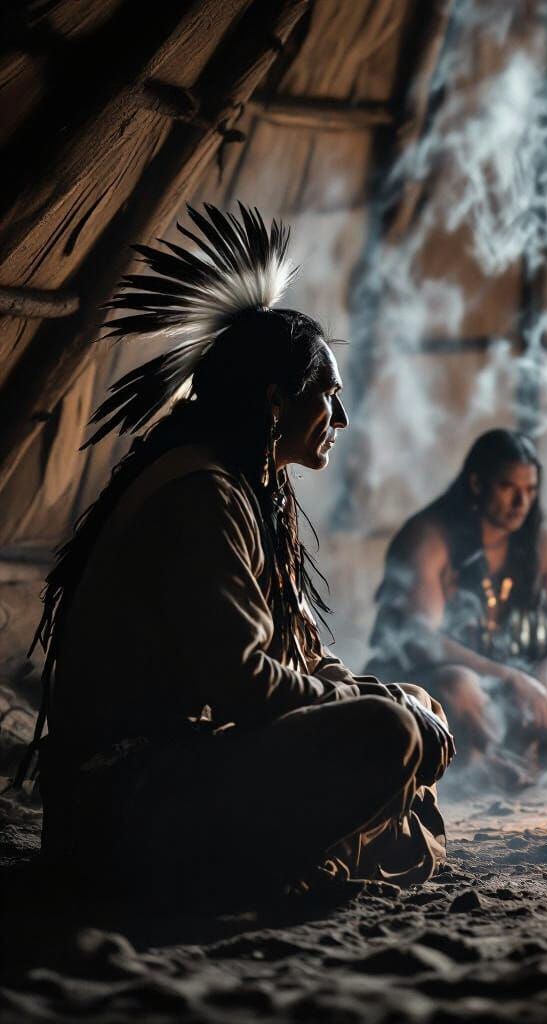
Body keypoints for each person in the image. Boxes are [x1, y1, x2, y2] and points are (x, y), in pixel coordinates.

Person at [19, 203, 454, 910]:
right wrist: (370, 707)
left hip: (183, 773)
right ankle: (308, 852)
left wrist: (376, 691)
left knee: (412, 705)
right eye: (328, 398)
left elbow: (300, 658)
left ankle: (341, 838)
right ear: (276, 401)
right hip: (127, 804)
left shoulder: (255, 487)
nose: (340, 421)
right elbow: (247, 683)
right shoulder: (202, 495)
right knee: (389, 732)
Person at [367, 429, 547, 782]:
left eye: (530, 491)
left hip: (520, 687)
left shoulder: (541, 542)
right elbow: (421, 641)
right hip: (443, 684)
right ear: (477, 483)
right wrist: (508, 676)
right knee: (459, 684)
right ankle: (478, 763)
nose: (521, 502)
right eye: (508, 488)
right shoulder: (430, 537)